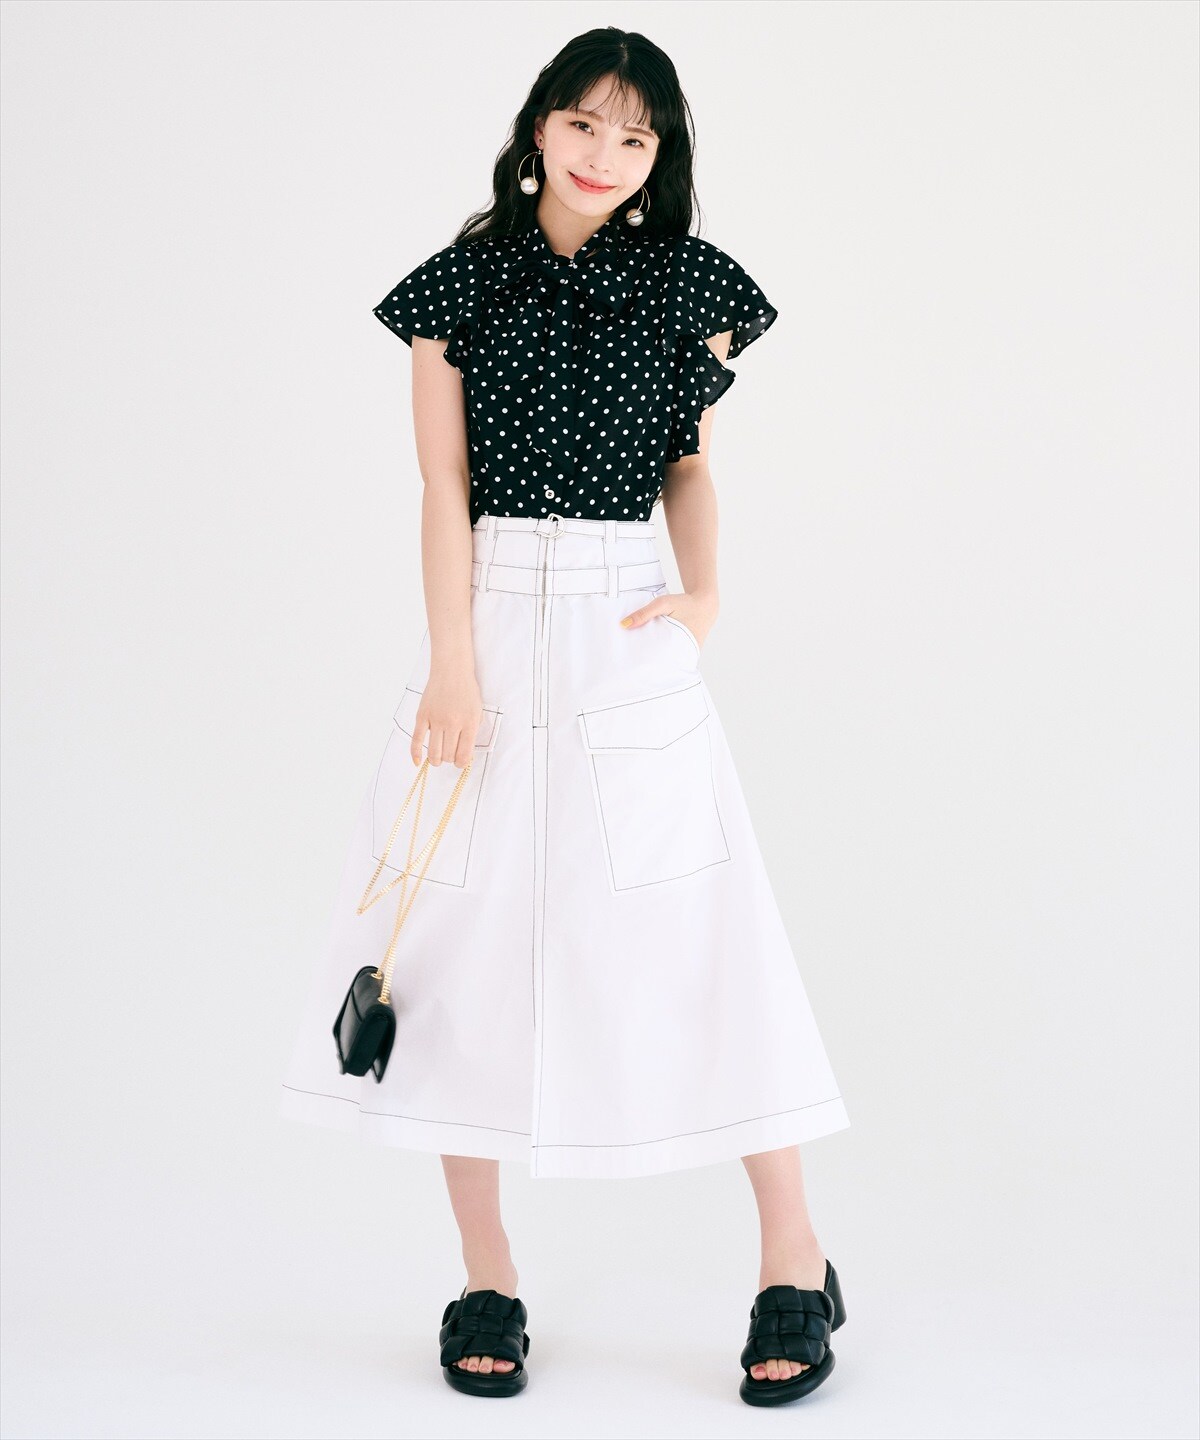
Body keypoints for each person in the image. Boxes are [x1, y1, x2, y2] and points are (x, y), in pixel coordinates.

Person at [280, 25, 851, 1406]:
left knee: (703, 932)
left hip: (626, 629)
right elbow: (441, 487)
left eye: (634, 136)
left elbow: (688, 468)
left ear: (660, 158)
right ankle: (487, 1272)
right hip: (482, 623)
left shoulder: (693, 288)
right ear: (538, 126)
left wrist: (702, 596)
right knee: (454, 949)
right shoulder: (457, 285)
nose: (605, 154)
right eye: (584, 123)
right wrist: (452, 664)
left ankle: (794, 1255)